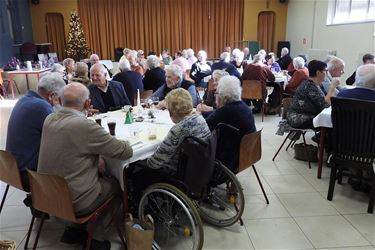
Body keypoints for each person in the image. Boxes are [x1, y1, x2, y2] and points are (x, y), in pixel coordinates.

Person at [38, 82, 133, 249]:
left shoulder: (49, 118)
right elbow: (125, 151)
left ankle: (74, 230)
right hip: (73, 201)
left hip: (46, 193)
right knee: (119, 185)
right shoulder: (84, 125)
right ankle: (92, 236)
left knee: (95, 174)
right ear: (88, 104)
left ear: (60, 100)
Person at [129, 88, 210, 198]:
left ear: (172, 112)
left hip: (177, 173)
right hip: (199, 167)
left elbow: (155, 163)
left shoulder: (178, 130)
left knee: (136, 172)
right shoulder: (200, 119)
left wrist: (141, 161)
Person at [6, 72, 65, 210]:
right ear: (52, 96)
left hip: (12, 170)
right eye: (60, 98)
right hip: (29, 175)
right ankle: (72, 204)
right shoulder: (41, 106)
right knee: (77, 159)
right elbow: (63, 133)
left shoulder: (25, 99)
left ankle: (40, 201)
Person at [204, 75, 256, 171]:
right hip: (247, 154)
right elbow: (215, 115)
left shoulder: (226, 111)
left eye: (217, 93)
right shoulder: (243, 107)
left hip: (229, 161)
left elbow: (204, 127)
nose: (216, 95)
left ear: (225, 98)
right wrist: (203, 113)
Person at [287, 60, 339, 129]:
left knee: (332, 120)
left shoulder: (315, 84)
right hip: (299, 118)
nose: (327, 73)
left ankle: (322, 138)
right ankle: (322, 138)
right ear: (318, 73)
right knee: (333, 122)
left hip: (306, 115)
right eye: (325, 71)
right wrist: (332, 87)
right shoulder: (310, 86)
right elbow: (325, 104)